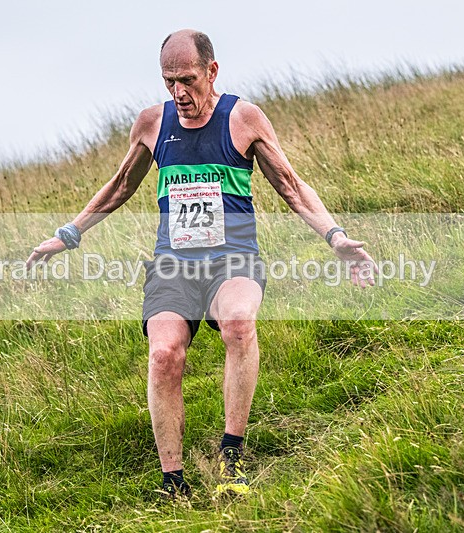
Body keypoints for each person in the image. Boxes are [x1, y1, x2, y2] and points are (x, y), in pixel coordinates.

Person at [26, 29, 377, 499]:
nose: (179, 92)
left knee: (237, 322)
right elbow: (119, 186)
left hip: (234, 259)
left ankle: (231, 460)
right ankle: (174, 482)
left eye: (187, 79)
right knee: (164, 354)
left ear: (212, 71)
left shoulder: (243, 118)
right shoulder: (152, 123)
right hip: (173, 266)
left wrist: (335, 237)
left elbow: (291, 185)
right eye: (168, 81)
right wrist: (65, 235)